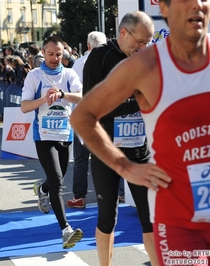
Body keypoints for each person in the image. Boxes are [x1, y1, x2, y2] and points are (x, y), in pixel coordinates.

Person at [71, 1, 210, 266]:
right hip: (177, 216)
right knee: (107, 217)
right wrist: (122, 164)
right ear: (165, 9)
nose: (197, 7)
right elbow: (82, 115)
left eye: (203, 0)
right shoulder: (145, 65)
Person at [73, 11, 158, 266]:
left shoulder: (146, 58)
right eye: (140, 42)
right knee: (107, 217)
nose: (144, 47)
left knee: (151, 218)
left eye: (148, 42)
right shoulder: (100, 57)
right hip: (107, 151)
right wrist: (137, 101)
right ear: (123, 33)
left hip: (139, 149)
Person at [21, 36, 84, 249]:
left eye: (59, 54)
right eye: (51, 54)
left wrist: (63, 94)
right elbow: (25, 107)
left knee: (56, 178)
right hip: (44, 136)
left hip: (65, 135)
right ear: (43, 52)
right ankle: (66, 230)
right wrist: (44, 99)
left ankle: (42, 189)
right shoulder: (35, 76)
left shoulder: (69, 74)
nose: (55, 58)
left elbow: (83, 96)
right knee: (58, 180)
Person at [67, 31, 107, 209]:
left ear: (89, 45)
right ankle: (118, 194)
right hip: (106, 113)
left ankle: (80, 196)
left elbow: (74, 90)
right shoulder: (111, 59)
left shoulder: (80, 63)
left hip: (83, 115)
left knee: (81, 158)